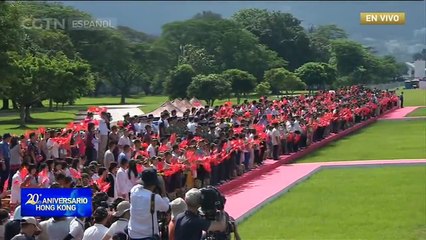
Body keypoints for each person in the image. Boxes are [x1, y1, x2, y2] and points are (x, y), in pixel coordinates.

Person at [128, 168, 170, 240]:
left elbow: (140, 186)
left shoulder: (134, 190)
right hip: (147, 235)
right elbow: (166, 208)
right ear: (154, 184)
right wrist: (163, 190)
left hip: (133, 233)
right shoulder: (154, 198)